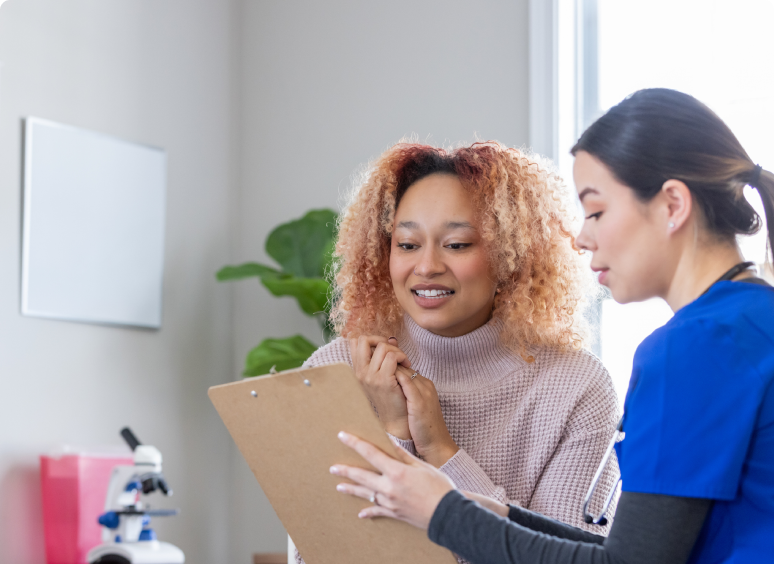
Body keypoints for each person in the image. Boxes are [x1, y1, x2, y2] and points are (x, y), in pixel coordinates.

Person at [331, 88, 774, 564]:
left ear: (672, 205)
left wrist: (442, 512)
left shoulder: (693, 347)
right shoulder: (753, 319)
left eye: (598, 211)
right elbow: (640, 550)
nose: (582, 239)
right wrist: (490, 513)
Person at [294, 141, 620, 563]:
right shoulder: (332, 371)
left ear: (510, 256)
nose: (426, 266)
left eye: (457, 244)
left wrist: (442, 451)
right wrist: (397, 434)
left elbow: (567, 559)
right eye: (407, 244)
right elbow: (318, 555)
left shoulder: (577, 388)